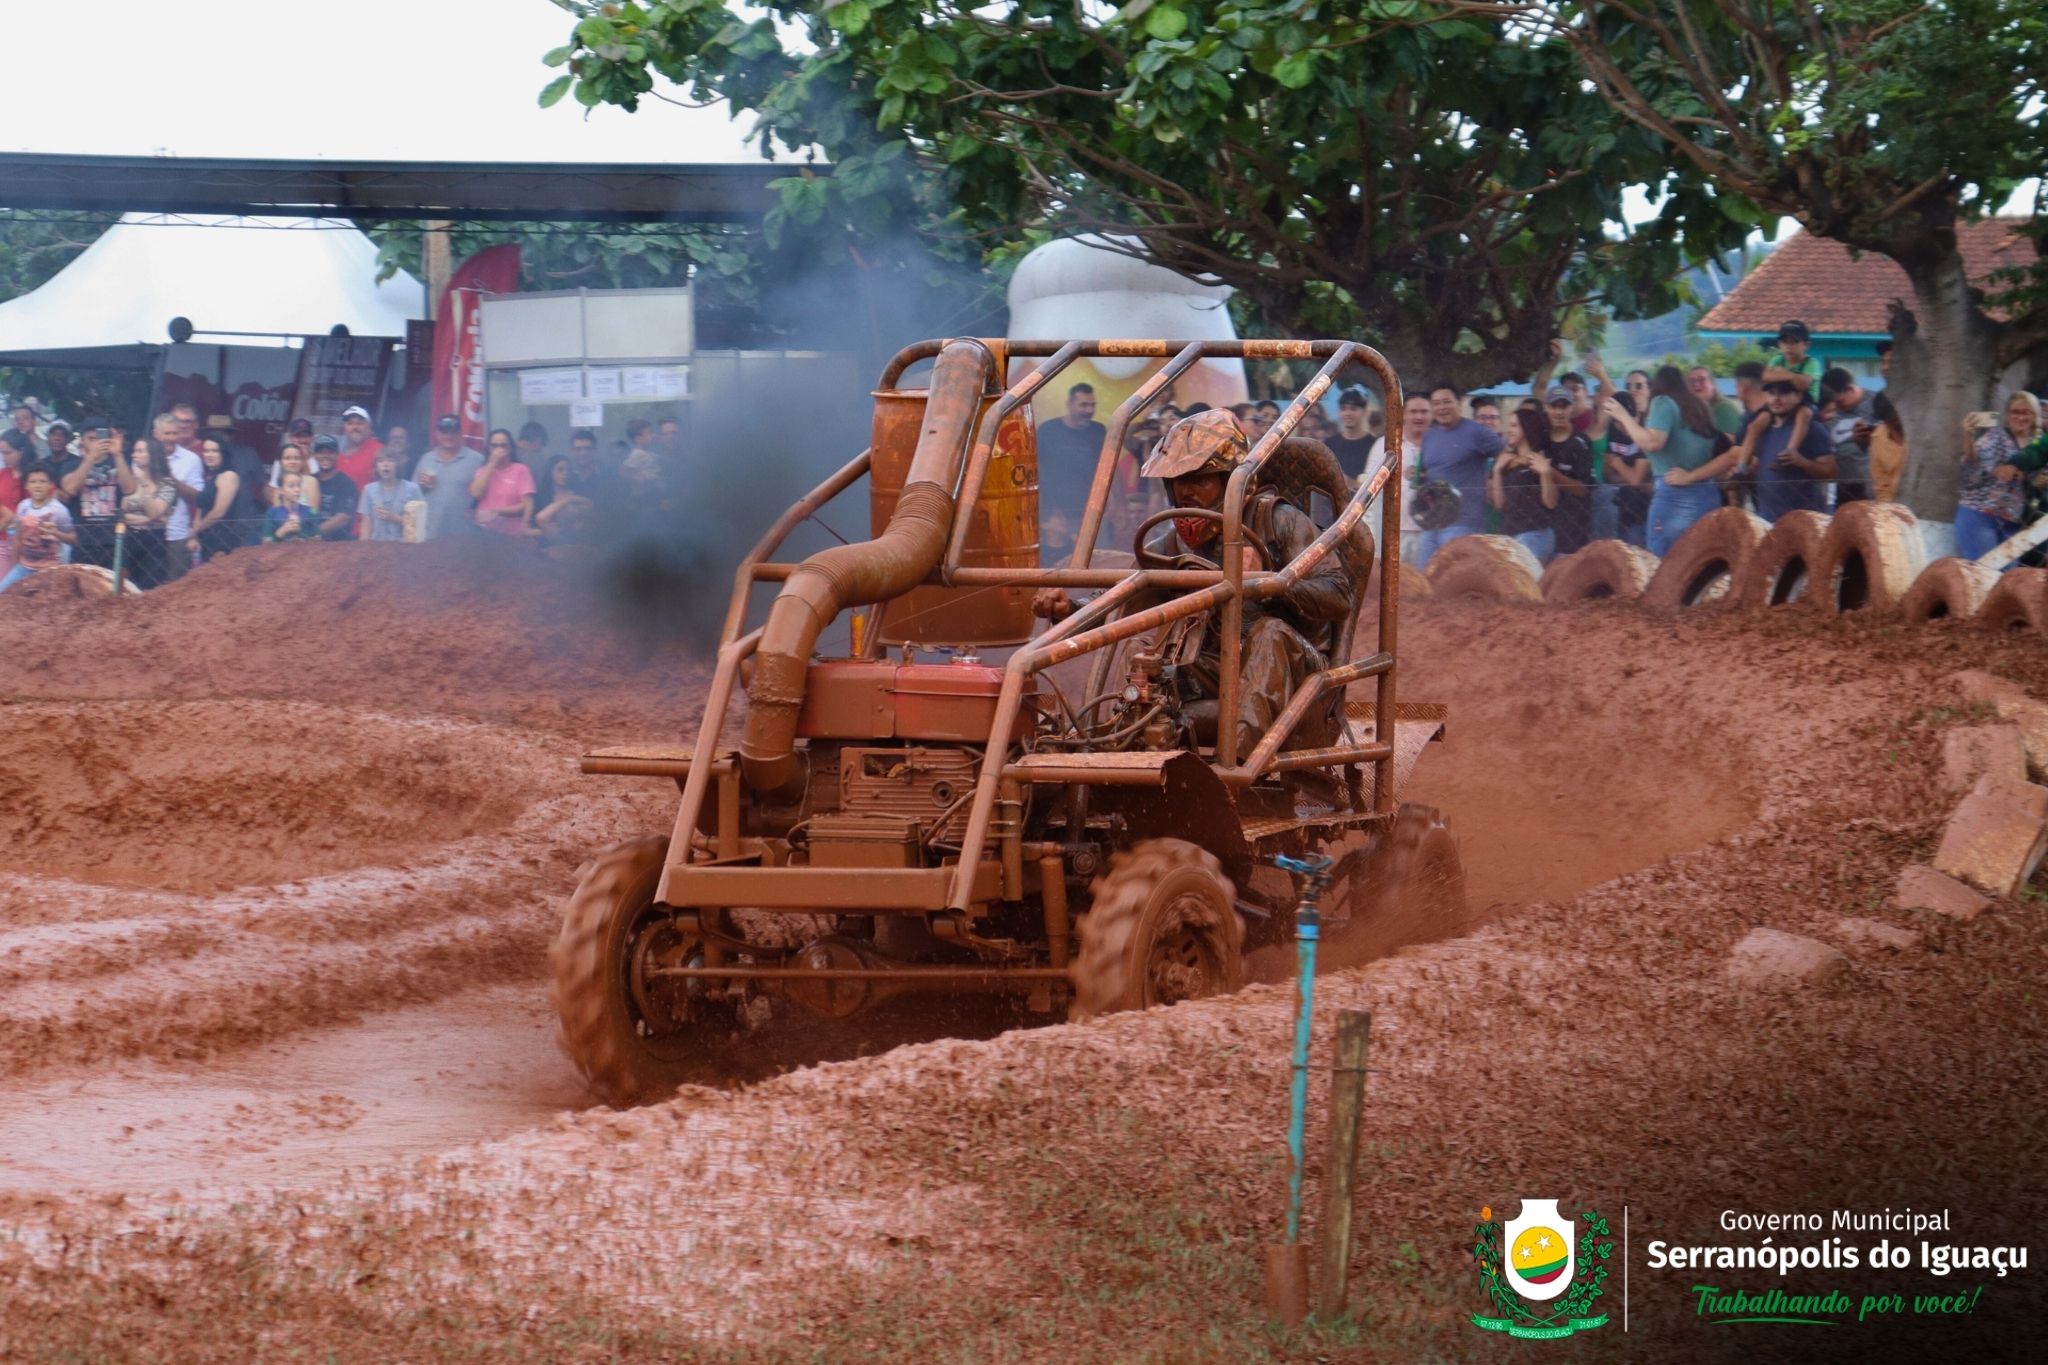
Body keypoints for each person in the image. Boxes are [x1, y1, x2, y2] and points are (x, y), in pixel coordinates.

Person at [1031, 410, 1354, 758]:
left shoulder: (1278, 521)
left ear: (1232, 481)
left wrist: (1274, 581)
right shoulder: (1169, 547)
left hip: (1301, 680)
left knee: (1269, 633)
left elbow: (1339, 596)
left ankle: (1235, 777)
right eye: (1179, 481)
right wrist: (1070, 610)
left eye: (1200, 480)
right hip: (1218, 669)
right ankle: (1127, 761)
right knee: (1143, 653)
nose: (1187, 493)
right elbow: (1121, 601)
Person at [1601, 365, 1723, 554]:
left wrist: (1624, 417)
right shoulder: (1701, 407)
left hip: (1674, 497)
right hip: (1707, 493)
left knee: (1663, 566)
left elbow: (1652, 443)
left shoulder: (1663, 402)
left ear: (1655, 387)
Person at [1492, 389, 1594, 563]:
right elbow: (1523, 453)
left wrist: (1548, 471)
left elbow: (1584, 490)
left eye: (1564, 406)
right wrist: (1510, 464)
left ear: (1572, 408)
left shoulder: (1580, 442)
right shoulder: (1542, 437)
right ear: (1546, 408)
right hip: (1532, 528)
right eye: (1554, 406)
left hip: (1570, 525)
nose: (1559, 411)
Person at [1414, 382, 1504, 567]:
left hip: (1465, 522)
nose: (1441, 407)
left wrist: (1495, 473)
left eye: (1447, 402)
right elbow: (1427, 470)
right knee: (1424, 577)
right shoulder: (1430, 435)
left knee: (1452, 577)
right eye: (1436, 403)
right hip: (1433, 521)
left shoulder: (1477, 432)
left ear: (1460, 403)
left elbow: (1506, 453)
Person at [1953, 394, 2045, 560]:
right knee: (1984, 574)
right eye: (2015, 412)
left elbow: (2035, 482)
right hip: (1981, 516)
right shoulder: (1996, 435)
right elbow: (1973, 460)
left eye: (2026, 412)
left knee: (2006, 579)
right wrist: (1968, 435)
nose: (2020, 417)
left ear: (2034, 416)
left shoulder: (2037, 444)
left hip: (2012, 522)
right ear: (2007, 415)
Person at [1036, 382, 1109, 555]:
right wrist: (1044, 511)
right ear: (1070, 404)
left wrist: (1117, 503)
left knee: (1098, 557)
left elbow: (1108, 467)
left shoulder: (1099, 431)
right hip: (1058, 514)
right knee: (1062, 561)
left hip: (1094, 511)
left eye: (1092, 405)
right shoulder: (1048, 431)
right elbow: (1035, 469)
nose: (1089, 410)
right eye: (1083, 405)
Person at [1365, 393, 1432, 565]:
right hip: (1393, 534)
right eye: (1413, 411)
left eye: (1424, 411)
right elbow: (1368, 493)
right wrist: (1372, 537)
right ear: (1403, 414)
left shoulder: (1439, 446)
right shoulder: (1385, 444)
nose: (1419, 416)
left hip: (1429, 535)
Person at [53, 419, 129, 568]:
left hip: (114, 541)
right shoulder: (71, 465)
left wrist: (118, 454)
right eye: (91, 439)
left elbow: (129, 489)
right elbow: (71, 488)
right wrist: (90, 459)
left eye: (99, 438)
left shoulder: (118, 462)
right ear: (82, 441)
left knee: (115, 589)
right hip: (83, 541)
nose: (96, 443)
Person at [1, 464, 75, 591]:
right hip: (23, 567)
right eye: (33, 481)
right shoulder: (22, 507)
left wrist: (56, 533)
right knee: (4, 592)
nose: (37, 485)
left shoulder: (59, 510)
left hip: (50, 570)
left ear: (51, 484)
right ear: (26, 485)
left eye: (43, 481)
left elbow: (73, 538)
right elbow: (18, 537)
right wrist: (14, 567)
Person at [150, 412, 206, 580]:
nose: (172, 438)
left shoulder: (191, 459)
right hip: (146, 531)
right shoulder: (143, 455)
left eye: (175, 433)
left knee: (176, 586)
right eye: (167, 433)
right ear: (156, 434)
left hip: (177, 533)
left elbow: (198, 497)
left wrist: (172, 480)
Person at [119, 437, 179, 589]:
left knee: (149, 589)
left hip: (153, 541)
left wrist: (145, 484)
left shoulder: (166, 482)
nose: (134, 455)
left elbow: (154, 513)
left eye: (139, 451)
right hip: (129, 539)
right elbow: (122, 512)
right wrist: (148, 519)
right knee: (126, 587)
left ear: (152, 454)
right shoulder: (131, 480)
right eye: (134, 451)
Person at [191, 432, 260, 561]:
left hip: (224, 539)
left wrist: (195, 531)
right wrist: (195, 535)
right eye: (206, 451)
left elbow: (218, 512)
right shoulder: (209, 477)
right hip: (206, 538)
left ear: (223, 453)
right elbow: (201, 508)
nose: (209, 455)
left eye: (214, 451)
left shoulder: (229, 476)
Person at [412, 414, 483, 540]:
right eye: (444, 432)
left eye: (453, 432)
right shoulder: (426, 459)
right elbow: (412, 495)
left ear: (461, 433)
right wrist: (422, 486)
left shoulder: (477, 459)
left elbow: (485, 495)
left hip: (464, 536)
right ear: (437, 434)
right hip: (430, 534)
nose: (449, 437)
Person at [1819, 368, 1878, 504]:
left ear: (1850, 389)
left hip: (1871, 484)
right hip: (1842, 485)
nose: (1836, 408)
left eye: (1839, 402)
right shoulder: (1830, 409)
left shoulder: (1876, 403)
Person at [469, 428, 535, 536]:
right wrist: (491, 463)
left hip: (513, 534)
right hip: (486, 534)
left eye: (503, 445)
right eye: (494, 446)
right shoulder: (482, 471)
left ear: (510, 448)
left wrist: (496, 512)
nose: (499, 449)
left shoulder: (520, 470)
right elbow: (476, 493)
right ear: (489, 449)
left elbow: (527, 505)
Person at [357, 451, 423, 542]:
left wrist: (394, 518)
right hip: (376, 546)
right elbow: (366, 523)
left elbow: (420, 523)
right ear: (376, 467)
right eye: (380, 461)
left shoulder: (412, 488)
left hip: (404, 546)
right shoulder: (368, 489)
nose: (385, 464)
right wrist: (363, 547)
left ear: (397, 465)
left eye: (390, 461)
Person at [530, 455, 592, 545]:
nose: (565, 473)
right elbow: (540, 519)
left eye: (568, 470)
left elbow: (590, 506)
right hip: (550, 546)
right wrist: (568, 500)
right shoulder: (541, 497)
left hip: (579, 543)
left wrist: (572, 499)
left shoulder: (577, 493)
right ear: (550, 472)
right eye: (560, 470)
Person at [309, 434, 358, 540]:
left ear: (337, 455)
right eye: (320, 452)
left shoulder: (347, 483)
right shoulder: (309, 480)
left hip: (338, 545)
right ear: (315, 456)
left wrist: (313, 534)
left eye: (330, 452)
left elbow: (343, 517)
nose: (325, 456)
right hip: (308, 545)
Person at [1325, 387, 1377, 481]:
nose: (1347, 413)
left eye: (1353, 409)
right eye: (1343, 409)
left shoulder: (1375, 445)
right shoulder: (1329, 444)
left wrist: (1351, 482)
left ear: (1364, 412)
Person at [333, 404, 383, 487]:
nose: (355, 427)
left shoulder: (379, 451)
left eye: (360, 423)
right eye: (350, 423)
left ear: (369, 428)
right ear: (344, 429)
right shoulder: (336, 451)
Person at [1688, 366, 1744, 437]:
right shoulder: (1692, 410)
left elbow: (1730, 441)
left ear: (1713, 383)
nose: (1696, 384)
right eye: (1691, 381)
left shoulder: (1724, 408)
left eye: (1702, 380)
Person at [264, 472, 315, 543]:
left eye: (299, 486)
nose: (297, 490)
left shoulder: (311, 511)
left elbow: (318, 539)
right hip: (279, 553)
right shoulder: (272, 512)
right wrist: (281, 531)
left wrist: (301, 534)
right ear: (281, 490)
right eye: (291, 486)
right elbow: (265, 542)